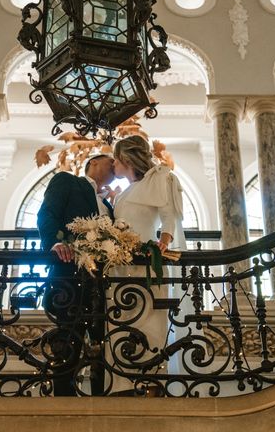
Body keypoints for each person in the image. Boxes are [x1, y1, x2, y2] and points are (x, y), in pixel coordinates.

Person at [109, 135, 187, 395]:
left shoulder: (159, 178)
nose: (112, 165)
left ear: (126, 159)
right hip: (120, 268)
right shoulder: (124, 191)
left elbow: (168, 216)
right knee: (121, 321)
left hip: (145, 265)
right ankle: (121, 385)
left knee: (149, 322)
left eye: (115, 160)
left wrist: (163, 242)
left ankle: (150, 381)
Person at [37, 154, 115, 397]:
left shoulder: (110, 205)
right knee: (68, 339)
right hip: (70, 274)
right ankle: (64, 400)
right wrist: (53, 244)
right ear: (93, 162)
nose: (115, 165)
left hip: (104, 285)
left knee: (103, 344)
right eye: (109, 161)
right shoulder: (67, 181)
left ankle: (100, 397)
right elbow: (47, 213)